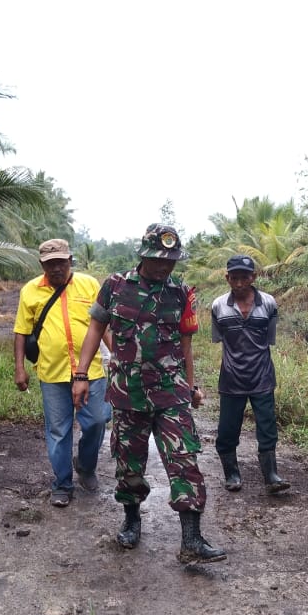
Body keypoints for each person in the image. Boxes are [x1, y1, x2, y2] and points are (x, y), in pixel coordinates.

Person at [72, 223, 226, 564]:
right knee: (130, 462)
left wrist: (192, 385)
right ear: (143, 255)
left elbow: (185, 344)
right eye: (158, 259)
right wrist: (81, 374)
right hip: (129, 393)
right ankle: (131, 519)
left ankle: (192, 540)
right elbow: (96, 328)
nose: (164, 266)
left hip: (171, 392)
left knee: (185, 458)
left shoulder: (180, 291)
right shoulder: (114, 285)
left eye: (171, 260)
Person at [13, 238, 112, 507]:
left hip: (90, 369)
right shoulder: (30, 291)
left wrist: (117, 357)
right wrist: (20, 368)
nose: (56, 268)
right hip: (52, 371)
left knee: (97, 421)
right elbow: (22, 331)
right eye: (50, 264)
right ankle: (62, 484)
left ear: (71, 261)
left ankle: (87, 466)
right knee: (58, 430)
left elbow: (103, 325)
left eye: (61, 262)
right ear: (42, 264)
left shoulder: (89, 284)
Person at [210, 254, 290, 495]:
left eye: (244, 277)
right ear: (227, 278)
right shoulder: (218, 306)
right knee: (227, 429)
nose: (239, 282)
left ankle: (271, 475)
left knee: (267, 428)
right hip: (231, 378)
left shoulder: (268, 303)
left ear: (253, 277)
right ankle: (231, 474)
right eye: (234, 278)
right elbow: (219, 338)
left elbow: (269, 339)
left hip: (262, 376)